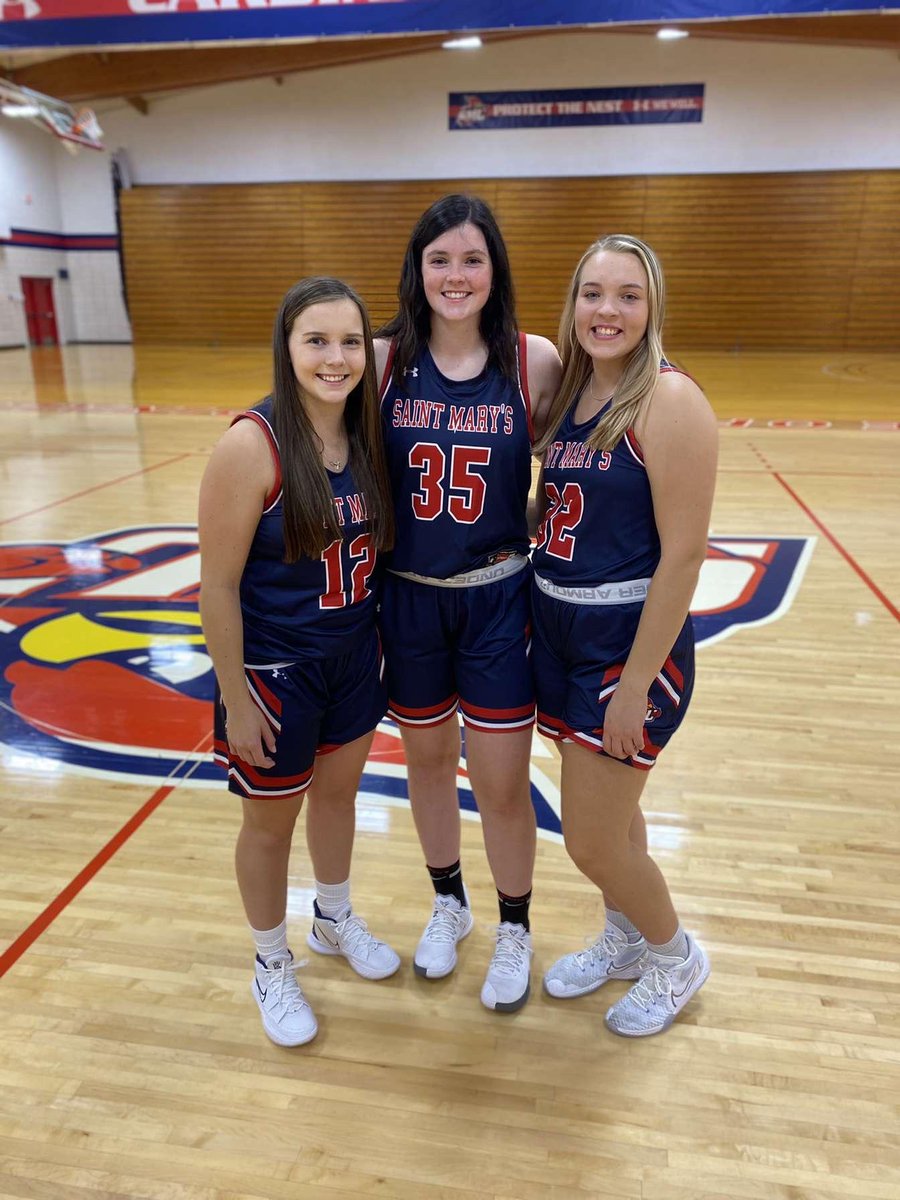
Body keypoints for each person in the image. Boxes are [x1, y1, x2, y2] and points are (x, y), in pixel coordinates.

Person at [199, 276, 399, 1047]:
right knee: (268, 827)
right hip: (274, 675)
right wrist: (236, 698)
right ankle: (270, 961)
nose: (336, 357)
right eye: (316, 340)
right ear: (287, 347)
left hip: (352, 657)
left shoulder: (369, 434)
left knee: (340, 799)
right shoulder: (252, 444)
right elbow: (215, 586)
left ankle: (333, 918)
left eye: (350, 341)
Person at [374, 194, 562, 1012]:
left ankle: (514, 924)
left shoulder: (535, 361)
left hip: (495, 602)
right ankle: (448, 903)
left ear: (495, 271)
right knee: (423, 763)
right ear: (418, 270)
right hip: (408, 601)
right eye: (440, 259)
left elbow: (566, 466)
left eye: (472, 259)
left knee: (502, 782)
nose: (456, 275)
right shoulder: (382, 361)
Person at [532, 234, 717, 1036]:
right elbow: (563, 514)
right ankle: (627, 938)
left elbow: (683, 557)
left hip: (626, 645)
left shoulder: (669, 400)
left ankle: (676, 954)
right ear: (574, 305)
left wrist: (638, 684)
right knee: (617, 821)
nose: (608, 310)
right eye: (594, 293)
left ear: (652, 308)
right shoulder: (570, 398)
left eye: (628, 296)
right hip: (560, 628)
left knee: (591, 838)